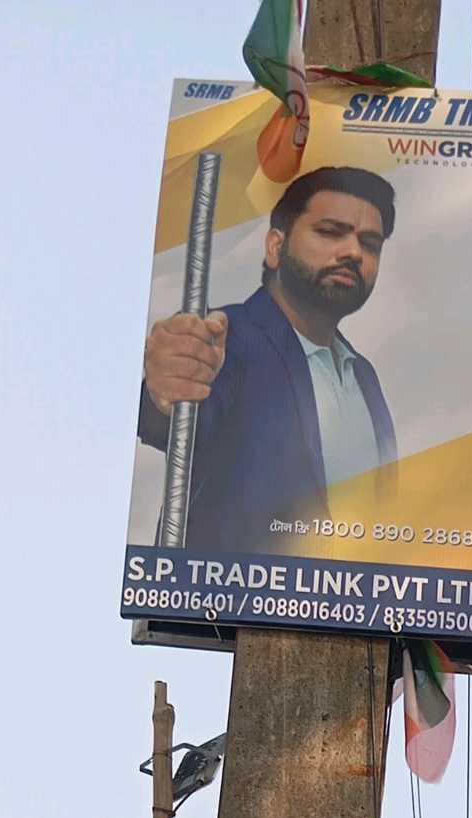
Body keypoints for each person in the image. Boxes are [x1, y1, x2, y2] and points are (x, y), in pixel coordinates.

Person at [139, 164, 399, 553]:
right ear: (276, 246)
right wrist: (164, 388)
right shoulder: (227, 338)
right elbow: (176, 416)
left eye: (371, 243)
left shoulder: (363, 373)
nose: (353, 252)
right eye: (330, 232)